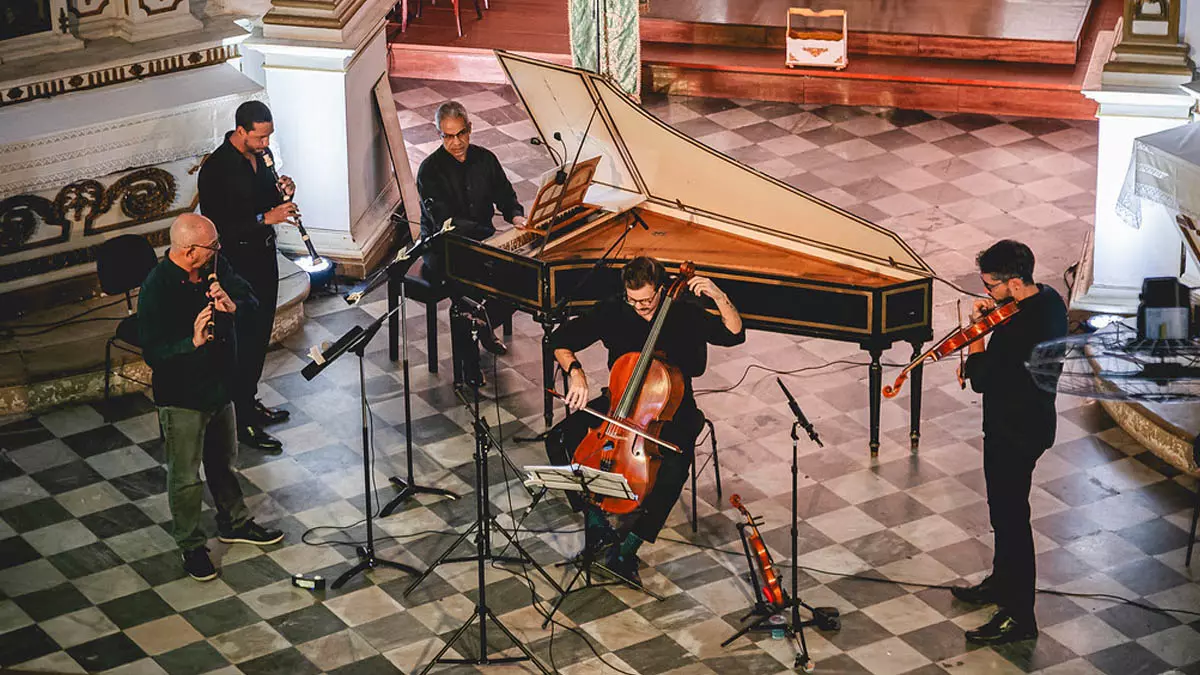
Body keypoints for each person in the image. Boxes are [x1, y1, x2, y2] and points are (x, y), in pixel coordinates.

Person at [546, 256, 745, 584]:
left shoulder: (685, 313)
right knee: (559, 440)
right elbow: (559, 340)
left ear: (662, 289)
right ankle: (597, 526)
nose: (640, 306)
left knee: (675, 467)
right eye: (633, 299)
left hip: (672, 407)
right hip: (620, 402)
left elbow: (734, 334)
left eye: (647, 299)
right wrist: (575, 373)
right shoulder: (615, 309)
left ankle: (629, 548)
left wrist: (718, 296)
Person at [139, 214, 284, 581]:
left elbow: (251, 300)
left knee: (223, 462)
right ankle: (190, 546)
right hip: (182, 395)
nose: (218, 250)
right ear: (189, 252)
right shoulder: (156, 289)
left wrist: (232, 306)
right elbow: (154, 353)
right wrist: (192, 341)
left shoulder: (216, 266)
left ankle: (234, 523)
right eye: (211, 246)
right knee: (186, 477)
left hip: (220, 383)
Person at [954, 240, 1068, 644]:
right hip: (1035, 423)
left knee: (1011, 520)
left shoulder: (1015, 334)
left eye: (991, 288)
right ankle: (1002, 583)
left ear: (1015, 284)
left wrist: (979, 333)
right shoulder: (1051, 300)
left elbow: (981, 379)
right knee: (1004, 514)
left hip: (1012, 432)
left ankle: (1020, 616)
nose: (988, 295)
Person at [197, 100, 296, 453]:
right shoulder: (217, 170)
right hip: (236, 265)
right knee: (242, 341)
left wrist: (283, 193)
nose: (265, 144)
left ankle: (249, 401)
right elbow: (218, 228)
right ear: (241, 131)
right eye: (260, 137)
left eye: (269, 136)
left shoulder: (260, 159)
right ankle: (241, 422)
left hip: (263, 257)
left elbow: (265, 200)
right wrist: (265, 219)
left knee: (259, 336)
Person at [416, 100, 525, 387]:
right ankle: (469, 366)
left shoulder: (485, 159)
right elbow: (444, 221)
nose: (456, 143)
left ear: (470, 129)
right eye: (448, 136)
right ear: (439, 134)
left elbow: (505, 193)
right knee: (466, 294)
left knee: (520, 277)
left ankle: (485, 325)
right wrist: (487, 237)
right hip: (444, 248)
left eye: (461, 134)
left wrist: (515, 217)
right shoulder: (429, 170)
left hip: (482, 243)